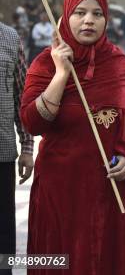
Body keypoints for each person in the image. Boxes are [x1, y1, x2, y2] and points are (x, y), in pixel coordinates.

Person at [20, 0, 125, 275]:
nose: (88, 20)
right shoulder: (45, 63)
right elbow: (32, 122)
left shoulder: (120, 65)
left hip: (109, 188)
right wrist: (62, 73)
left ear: (106, 21)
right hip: (58, 188)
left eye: (97, 14)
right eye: (80, 13)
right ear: (66, 18)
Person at [0, 22, 34, 272]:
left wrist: (27, 146)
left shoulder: (10, 37)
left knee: (3, 235)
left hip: (2, 153)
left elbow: (21, 95)